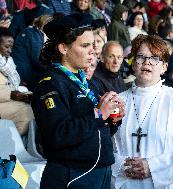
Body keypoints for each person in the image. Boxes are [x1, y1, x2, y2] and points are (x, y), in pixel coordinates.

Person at [31, 13, 125, 189]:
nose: (93, 51)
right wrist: (98, 113)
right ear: (63, 48)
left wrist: (113, 118)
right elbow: (58, 135)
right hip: (72, 175)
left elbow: (97, 130)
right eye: (85, 45)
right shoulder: (50, 84)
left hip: (101, 171)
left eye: (94, 44)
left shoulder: (90, 82)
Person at [111, 34, 173, 189]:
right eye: (141, 57)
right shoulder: (117, 101)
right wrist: (122, 165)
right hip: (125, 183)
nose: (147, 62)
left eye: (155, 58)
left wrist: (153, 167)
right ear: (133, 63)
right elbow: (104, 146)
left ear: (165, 66)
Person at [0, 27, 34, 136]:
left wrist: (19, 93)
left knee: (36, 103)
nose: (10, 50)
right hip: (4, 100)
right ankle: (11, 144)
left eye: (11, 47)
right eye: (6, 46)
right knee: (26, 112)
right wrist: (12, 94)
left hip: (6, 99)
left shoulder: (7, 61)